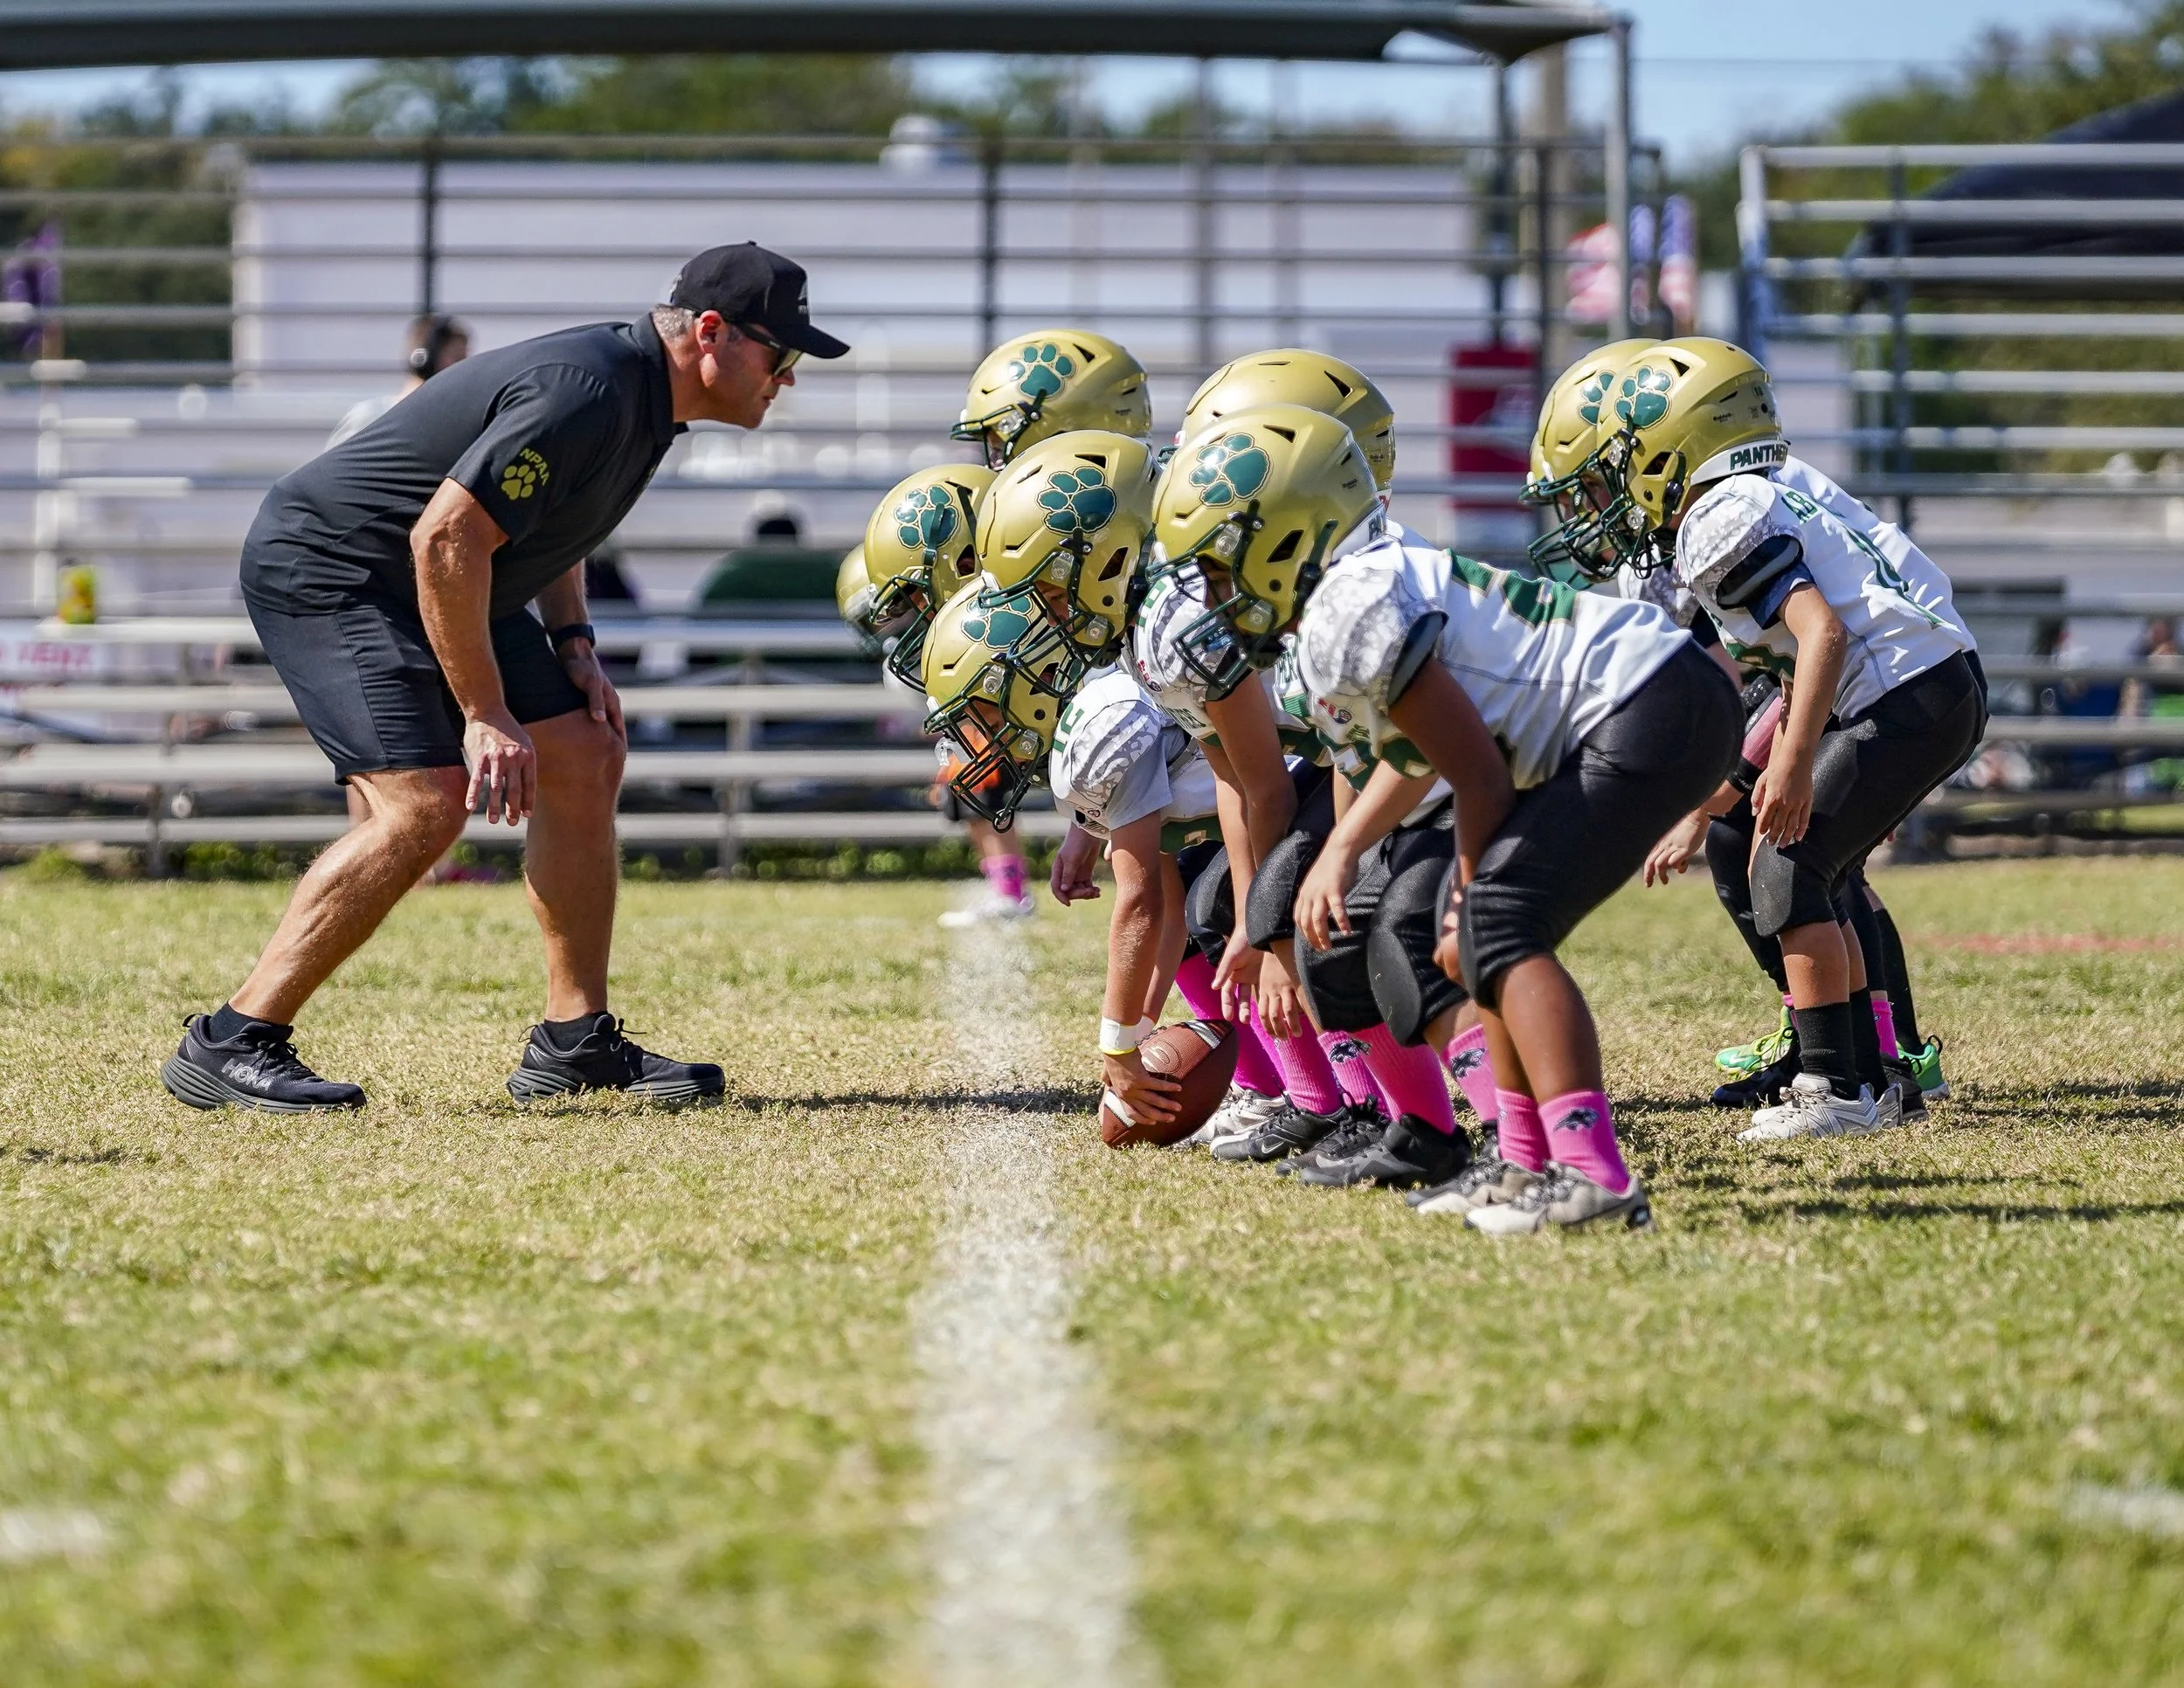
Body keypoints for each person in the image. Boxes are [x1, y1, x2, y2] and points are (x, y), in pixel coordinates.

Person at [160, 243, 846, 1111]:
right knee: (425, 806)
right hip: (336, 570)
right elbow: (445, 539)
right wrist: (484, 713)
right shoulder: (588, 388)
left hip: (445, 580)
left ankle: (573, 1042)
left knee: (584, 753)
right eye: (779, 354)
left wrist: (574, 646)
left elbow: (553, 526)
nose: (786, 378)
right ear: (709, 334)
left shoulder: (644, 400)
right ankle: (233, 1038)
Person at [1557, 336, 1984, 1142]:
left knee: (1788, 867)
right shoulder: (1759, 491)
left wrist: (1786, 771)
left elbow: (1821, 635)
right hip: (1926, 683)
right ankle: (1864, 1076)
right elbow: (1800, 656)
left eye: (1605, 479)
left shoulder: (1716, 516)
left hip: (1904, 693)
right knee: (1800, 865)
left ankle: (1836, 1088)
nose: (1601, 503)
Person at [1296, 522, 1739, 1233]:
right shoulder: (1354, 589)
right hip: (1640, 701)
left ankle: (1593, 1175)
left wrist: (1464, 900)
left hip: (1650, 700)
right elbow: (1438, 758)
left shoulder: (1349, 608)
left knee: (1499, 924)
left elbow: (1478, 777)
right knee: (1481, 934)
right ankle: (1526, 1159)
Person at [327, 313, 472, 448]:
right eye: (457, 357)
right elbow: (330, 473)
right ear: (422, 360)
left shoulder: (452, 426)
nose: (464, 367)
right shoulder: (371, 417)